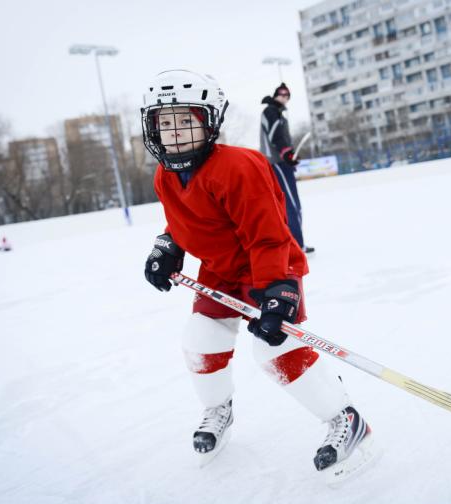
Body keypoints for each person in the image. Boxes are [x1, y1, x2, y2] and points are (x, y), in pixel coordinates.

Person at [140, 70, 372, 478]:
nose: (173, 132)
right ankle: (219, 412)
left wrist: (277, 292)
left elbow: (268, 235)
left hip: (268, 267)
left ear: (210, 121)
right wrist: (169, 246)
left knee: (275, 350)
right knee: (201, 338)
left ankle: (345, 419)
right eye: (164, 122)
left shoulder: (239, 166)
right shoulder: (165, 174)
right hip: (219, 272)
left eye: (185, 120)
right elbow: (184, 221)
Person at [260, 83, 314, 254]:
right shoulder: (271, 111)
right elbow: (275, 137)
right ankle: (297, 245)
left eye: (287, 95)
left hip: (281, 162)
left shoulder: (279, 114)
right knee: (291, 204)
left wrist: (290, 155)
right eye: (281, 94)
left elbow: (282, 139)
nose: (284, 97)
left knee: (289, 204)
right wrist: (286, 154)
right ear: (275, 95)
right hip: (277, 163)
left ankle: (293, 244)